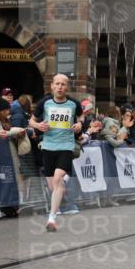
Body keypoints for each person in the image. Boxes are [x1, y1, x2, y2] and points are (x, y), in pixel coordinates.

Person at [29, 74, 83, 232]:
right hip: (48, 146)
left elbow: (81, 116)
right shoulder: (44, 103)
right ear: (52, 86)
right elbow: (31, 121)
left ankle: (52, 218)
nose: (60, 87)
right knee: (53, 186)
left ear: (67, 87)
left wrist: (79, 124)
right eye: (57, 84)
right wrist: (38, 126)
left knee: (58, 178)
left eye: (63, 84)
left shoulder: (73, 104)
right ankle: (62, 184)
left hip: (66, 146)